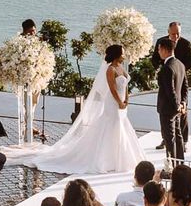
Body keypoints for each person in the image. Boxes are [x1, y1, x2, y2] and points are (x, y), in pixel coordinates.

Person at [28, 45, 145, 175]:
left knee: (120, 127)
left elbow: (126, 86)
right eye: (122, 54)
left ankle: (117, 157)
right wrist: (119, 102)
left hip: (122, 103)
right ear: (117, 55)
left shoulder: (121, 68)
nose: (124, 56)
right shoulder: (110, 69)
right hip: (113, 103)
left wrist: (126, 100)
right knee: (113, 126)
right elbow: (112, 89)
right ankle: (108, 160)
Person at [156, 38, 187, 161]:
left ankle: (171, 166)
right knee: (178, 136)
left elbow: (170, 91)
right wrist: (183, 103)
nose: (158, 52)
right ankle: (180, 162)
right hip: (177, 108)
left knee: (169, 139)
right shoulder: (180, 64)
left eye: (159, 49)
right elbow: (185, 86)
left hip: (168, 109)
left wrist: (177, 105)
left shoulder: (167, 68)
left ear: (164, 49)